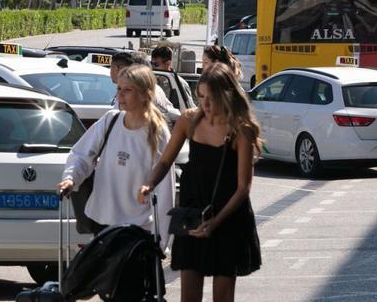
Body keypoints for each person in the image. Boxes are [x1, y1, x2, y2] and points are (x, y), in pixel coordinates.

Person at [138, 64, 262, 302]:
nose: (204, 104)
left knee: (222, 295)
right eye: (201, 96)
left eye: (211, 98)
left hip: (227, 218)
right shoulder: (189, 120)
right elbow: (165, 161)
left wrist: (216, 222)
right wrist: (150, 183)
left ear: (226, 95)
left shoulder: (240, 130)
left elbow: (243, 188)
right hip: (193, 212)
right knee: (189, 294)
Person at [59, 64, 175, 248]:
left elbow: (164, 190)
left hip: (138, 229)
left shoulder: (158, 133)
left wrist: (160, 241)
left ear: (145, 94)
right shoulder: (110, 121)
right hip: (102, 222)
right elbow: (81, 155)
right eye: (119, 89)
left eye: (128, 90)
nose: (120, 95)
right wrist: (71, 178)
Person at [110, 51, 181, 125]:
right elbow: (173, 113)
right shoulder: (157, 88)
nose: (120, 95)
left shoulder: (139, 91)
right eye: (119, 89)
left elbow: (119, 119)